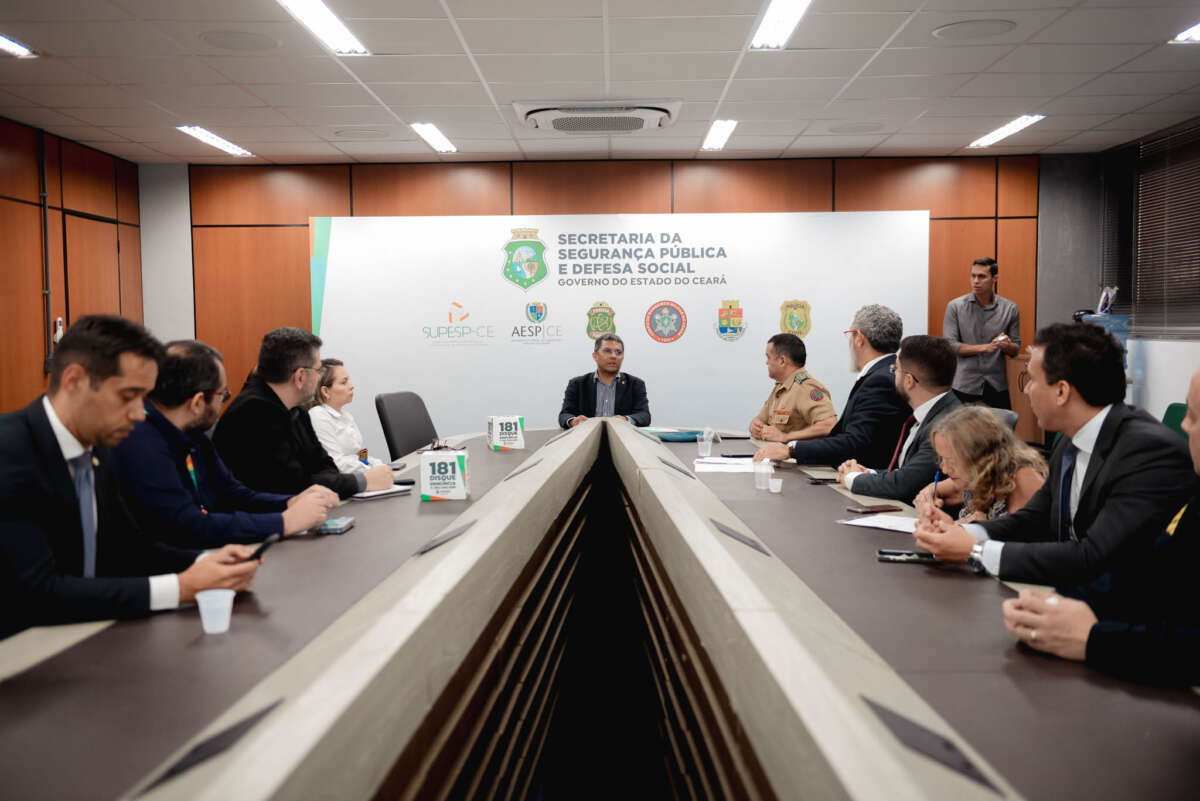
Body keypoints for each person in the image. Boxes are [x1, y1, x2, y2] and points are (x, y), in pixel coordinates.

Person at [0, 315, 261, 640]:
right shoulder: (10, 452)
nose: (140, 414)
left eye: (144, 398)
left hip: (85, 637)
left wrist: (206, 561)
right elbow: (37, 591)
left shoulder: (99, 446)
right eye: (128, 396)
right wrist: (181, 587)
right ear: (74, 381)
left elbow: (128, 547)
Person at [914, 322, 1193, 586]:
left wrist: (976, 551)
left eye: (1032, 380)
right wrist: (963, 534)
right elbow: (1034, 518)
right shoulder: (1070, 440)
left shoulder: (1145, 451)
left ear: (1061, 392)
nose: (1026, 390)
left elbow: (1095, 555)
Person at [1001, 366, 1200, 685]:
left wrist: (1092, 639)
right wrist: (1057, 605)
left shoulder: (1146, 450)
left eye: (1192, 415)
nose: (1184, 426)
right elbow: (1154, 569)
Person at [114, 340, 338, 549]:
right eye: (223, 394)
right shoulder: (142, 443)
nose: (224, 402)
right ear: (198, 402)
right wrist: (283, 522)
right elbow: (188, 525)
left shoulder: (194, 435)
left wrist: (290, 502)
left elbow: (233, 493)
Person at [214, 327, 393, 499]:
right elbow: (295, 484)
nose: (319, 377)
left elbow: (324, 465)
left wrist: (341, 482)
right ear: (300, 377)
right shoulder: (254, 414)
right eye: (317, 370)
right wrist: (361, 482)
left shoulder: (295, 409)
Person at [754, 304, 908, 469]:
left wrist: (791, 449)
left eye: (850, 335)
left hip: (864, 475)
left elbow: (854, 442)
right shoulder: (887, 374)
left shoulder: (880, 380)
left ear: (859, 339)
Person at [836, 335, 962, 503]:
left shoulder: (947, 424)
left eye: (895, 369)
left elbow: (905, 485)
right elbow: (906, 473)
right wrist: (866, 474)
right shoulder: (936, 412)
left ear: (909, 381)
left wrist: (852, 478)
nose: (893, 373)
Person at [913, 405, 1047, 521]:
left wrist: (976, 527)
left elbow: (1020, 538)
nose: (945, 470)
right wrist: (928, 496)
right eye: (942, 459)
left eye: (952, 461)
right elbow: (944, 489)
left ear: (980, 454)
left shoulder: (1024, 479)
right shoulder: (974, 474)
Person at [943, 257, 1021, 409]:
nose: (976, 281)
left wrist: (1006, 346)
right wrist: (986, 347)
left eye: (982, 276)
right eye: (973, 276)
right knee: (960, 425)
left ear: (995, 279)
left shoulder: (1010, 309)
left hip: (996, 385)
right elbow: (950, 345)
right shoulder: (955, 307)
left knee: (1003, 424)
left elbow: (1016, 349)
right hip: (965, 385)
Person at [748, 333, 837, 444]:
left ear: (782, 361)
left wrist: (786, 437)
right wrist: (754, 427)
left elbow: (830, 425)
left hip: (796, 455)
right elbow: (759, 420)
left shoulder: (805, 387)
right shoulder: (780, 387)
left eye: (768, 357)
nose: (766, 362)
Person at [308, 358, 392, 474]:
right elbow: (336, 464)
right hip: (343, 481)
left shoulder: (346, 416)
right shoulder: (318, 416)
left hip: (359, 476)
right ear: (326, 391)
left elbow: (360, 455)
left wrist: (381, 466)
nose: (351, 386)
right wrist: (372, 470)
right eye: (344, 382)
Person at [558, 333, 650, 428]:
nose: (613, 356)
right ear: (595, 356)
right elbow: (564, 415)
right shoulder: (577, 384)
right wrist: (573, 421)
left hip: (622, 436)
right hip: (587, 436)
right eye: (607, 351)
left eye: (618, 352)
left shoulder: (635, 384)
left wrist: (626, 419)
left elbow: (644, 416)